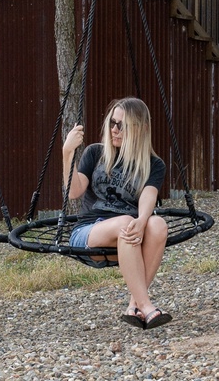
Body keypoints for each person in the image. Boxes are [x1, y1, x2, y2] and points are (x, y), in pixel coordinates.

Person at [61, 96, 172, 329]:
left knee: (157, 224)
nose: (115, 129)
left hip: (128, 239)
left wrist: (143, 220)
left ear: (141, 128)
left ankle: (134, 306)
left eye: (123, 125)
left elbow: (148, 197)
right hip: (89, 233)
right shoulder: (95, 153)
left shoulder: (153, 164)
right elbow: (74, 192)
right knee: (126, 222)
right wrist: (67, 153)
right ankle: (148, 307)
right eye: (113, 123)